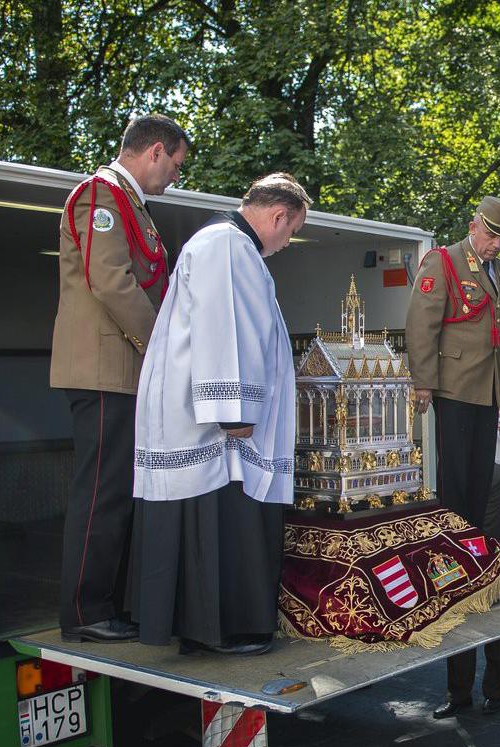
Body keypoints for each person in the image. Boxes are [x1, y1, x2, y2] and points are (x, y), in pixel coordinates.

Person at [129, 173, 308, 656]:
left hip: (212, 419)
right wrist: (234, 411)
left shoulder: (227, 245)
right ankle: (226, 628)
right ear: (278, 215)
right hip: (218, 428)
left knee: (220, 520)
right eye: (290, 232)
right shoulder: (228, 246)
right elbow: (224, 329)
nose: (285, 244)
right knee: (225, 523)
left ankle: (213, 627)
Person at [53, 113, 189, 643]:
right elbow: (111, 282)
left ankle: (109, 602)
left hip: (125, 369)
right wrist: (160, 343)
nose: (175, 176)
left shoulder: (133, 207)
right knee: (102, 492)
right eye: (175, 165)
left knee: (122, 491)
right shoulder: (100, 196)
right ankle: (85, 611)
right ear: (154, 151)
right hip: (105, 367)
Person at [406, 196, 500, 716]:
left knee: (482, 489)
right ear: (473, 226)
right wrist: (423, 384)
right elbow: (422, 324)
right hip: (452, 389)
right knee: (456, 491)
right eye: (491, 235)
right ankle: (458, 540)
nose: (496, 244)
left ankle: (476, 543)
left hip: (488, 392)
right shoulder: (444, 261)